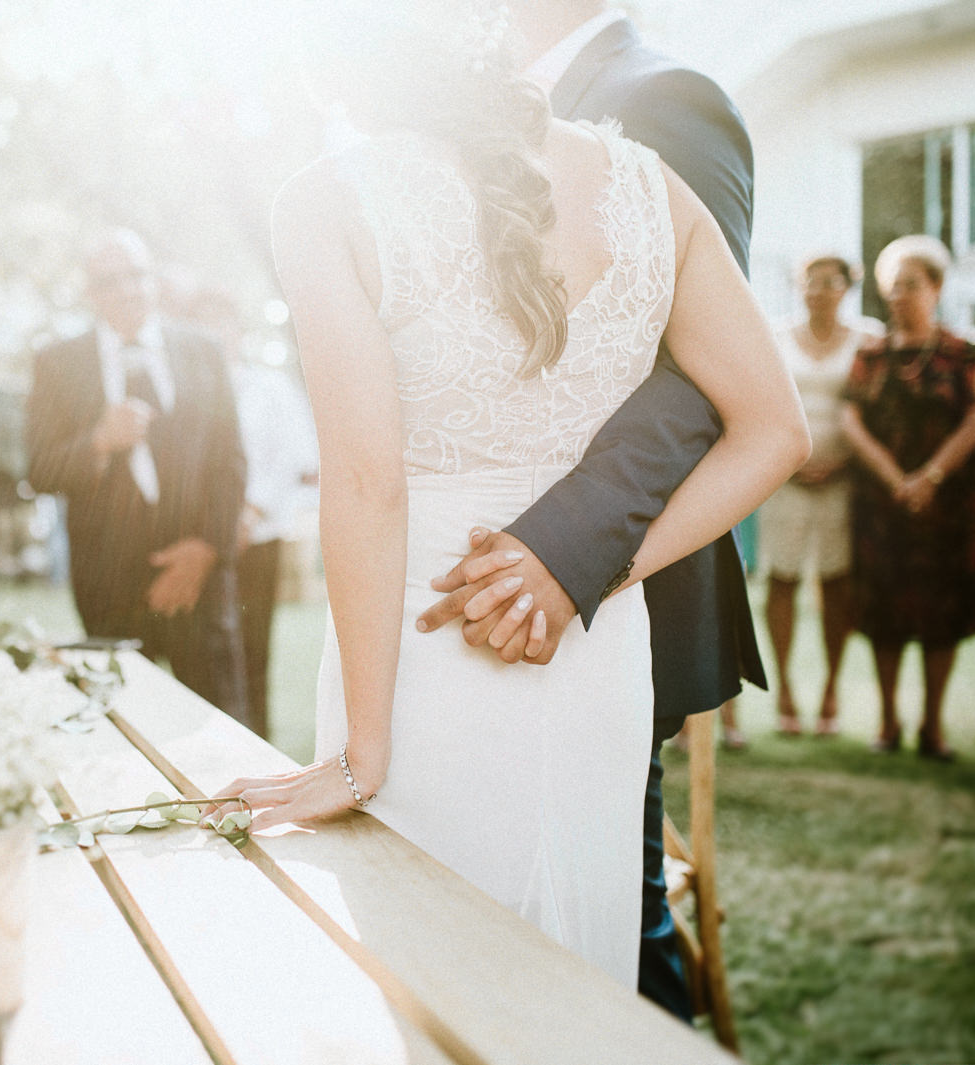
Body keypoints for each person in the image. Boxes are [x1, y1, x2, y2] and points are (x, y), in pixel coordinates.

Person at [215, 2, 808, 989]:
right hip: (587, 643)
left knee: (429, 986)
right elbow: (775, 433)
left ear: (334, 80)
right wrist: (603, 574)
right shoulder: (645, 185)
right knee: (576, 971)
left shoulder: (324, 201)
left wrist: (361, 753)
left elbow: (368, 485)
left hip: (424, 642)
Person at [409, 0, 761, 1017]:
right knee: (464, 916)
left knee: (606, 933)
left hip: (602, 590)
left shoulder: (664, 99)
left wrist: (563, 557)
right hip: (450, 576)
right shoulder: (452, 124)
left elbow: (700, 375)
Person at [26, 230, 250, 725]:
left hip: (201, 573)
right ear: (90, 292)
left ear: (153, 279)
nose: (128, 289)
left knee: (220, 724)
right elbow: (39, 469)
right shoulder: (57, 363)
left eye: (137, 275)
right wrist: (98, 442)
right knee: (123, 728)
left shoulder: (203, 350)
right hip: (108, 584)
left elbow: (229, 461)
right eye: (111, 280)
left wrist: (207, 550)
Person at [842, 235, 975, 760]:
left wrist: (929, 478)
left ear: (936, 287)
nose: (898, 295)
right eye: (891, 287)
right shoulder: (871, 355)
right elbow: (851, 422)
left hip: (947, 506)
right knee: (883, 612)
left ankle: (932, 726)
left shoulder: (963, 354)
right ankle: (888, 722)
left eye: (910, 284)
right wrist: (896, 481)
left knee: (941, 615)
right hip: (882, 505)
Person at [186, 285, 319, 738]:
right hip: (203, 542)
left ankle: (259, 743)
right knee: (207, 655)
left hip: (258, 539)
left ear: (238, 332)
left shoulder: (270, 388)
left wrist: (248, 513)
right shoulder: (186, 394)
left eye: (222, 326)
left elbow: (295, 458)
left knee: (254, 650)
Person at [760, 255, 881, 738]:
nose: (819, 290)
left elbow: (877, 411)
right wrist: (787, 459)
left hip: (843, 478)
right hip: (784, 478)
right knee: (782, 578)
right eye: (810, 282)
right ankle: (785, 689)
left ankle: (831, 689)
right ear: (800, 287)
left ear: (847, 288)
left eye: (830, 282)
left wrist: (844, 463)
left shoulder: (868, 337)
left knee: (837, 584)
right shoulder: (775, 334)